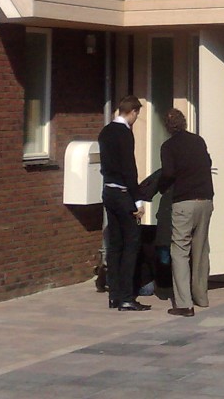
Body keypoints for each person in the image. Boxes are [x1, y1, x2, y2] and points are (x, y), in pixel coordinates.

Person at [157, 108, 214, 317]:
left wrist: (161, 187)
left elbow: (168, 173)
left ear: (167, 127)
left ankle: (184, 304)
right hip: (205, 200)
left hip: (184, 202)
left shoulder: (168, 146)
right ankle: (201, 297)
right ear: (184, 122)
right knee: (201, 249)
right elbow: (208, 163)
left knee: (180, 251)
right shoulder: (198, 141)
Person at [98, 95, 151, 311]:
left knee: (115, 245)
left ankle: (114, 295)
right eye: (137, 114)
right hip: (122, 193)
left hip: (108, 192)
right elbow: (129, 168)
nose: (136, 118)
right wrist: (137, 200)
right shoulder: (124, 133)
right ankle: (127, 297)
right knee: (132, 243)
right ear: (133, 112)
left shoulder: (105, 132)